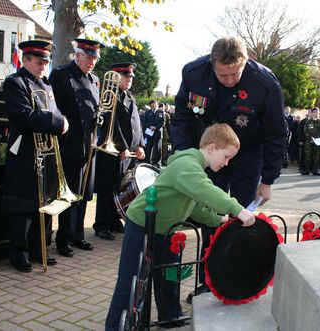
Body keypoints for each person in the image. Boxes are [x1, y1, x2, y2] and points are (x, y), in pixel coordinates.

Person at [105, 123, 256, 331]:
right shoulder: (187, 165)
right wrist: (237, 209)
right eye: (226, 156)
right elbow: (205, 190)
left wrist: (218, 220)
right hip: (142, 224)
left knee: (169, 275)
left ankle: (170, 316)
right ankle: (116, 326)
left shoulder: (195, 167)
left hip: (165, 229)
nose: (227, 163)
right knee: (130, 280)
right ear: (211, 148)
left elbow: (194, 206)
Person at [170, 36, 286, 298]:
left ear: (246, 62)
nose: (230, 80)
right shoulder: (193, 73)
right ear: (212, 65)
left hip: (247, 155)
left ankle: (234, 280)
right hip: (209, 154)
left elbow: (276, 134)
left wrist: (268, 179)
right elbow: (182, 117)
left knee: (241, 217)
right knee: (211, 214)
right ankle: (208, 283)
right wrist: (185, 155)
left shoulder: (266, 83)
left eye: (236, 73)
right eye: (223, 75)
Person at [2, 40, 69, 272]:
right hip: (24, 151)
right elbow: (23, 115)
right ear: (26, 59)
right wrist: (58, 122)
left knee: (45, 200)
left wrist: (58, 120)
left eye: (45, 62)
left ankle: (40, 247)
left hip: (46, 152)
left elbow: (53, 111)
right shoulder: (15, 83)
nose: (43, 66)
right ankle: (19, 252)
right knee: (23, 203)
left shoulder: (47, 86)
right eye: (39, 62)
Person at [49, 38, 102, 257]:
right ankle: (63, 238)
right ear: (78, 55)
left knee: (84, 194)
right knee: (68, 194)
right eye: (88, 57)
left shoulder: (95, 80)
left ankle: (77, 235)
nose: (92, 62)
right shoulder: (61, 75)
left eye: (95, 58)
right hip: (69, 143)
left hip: (89, 144)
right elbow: (55, 108)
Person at [93, 62, 145, 240]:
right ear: (116, 76)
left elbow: (137, 124)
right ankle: (101, 224)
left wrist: (140, 145)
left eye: (131, 76)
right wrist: (122, 147)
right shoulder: (110, 96)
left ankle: (114, 220)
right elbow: (110, 124)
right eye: (126, 76)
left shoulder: (130, 97)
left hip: (127, 154)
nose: (129, 79)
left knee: (119, 188)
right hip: (111, 151)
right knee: (107, 188)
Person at [142, 99, 165, 167]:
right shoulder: (147, 112)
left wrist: (156, 127)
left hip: (157, 133)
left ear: (157, 104)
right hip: (149, 133)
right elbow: (145, 122)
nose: (153, 105)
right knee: (148, 147)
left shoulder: (161, 112)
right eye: (152, 104)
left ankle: (157, 163)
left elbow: (163, 122)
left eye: (154, 104)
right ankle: (147, 161)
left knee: (158, 148)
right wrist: (149, 126)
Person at [302, 107, 320, 176]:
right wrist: (310, 138)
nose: (315, 114)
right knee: (308, 157)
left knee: (316, 157)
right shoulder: (308, 122)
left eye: (317, 112)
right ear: (312, 113)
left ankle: (315, 171)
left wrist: (317, 138)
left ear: (319, 113)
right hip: (309, 142)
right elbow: (305, 131)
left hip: (318, 142)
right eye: (314, 112)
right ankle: (307, 170)